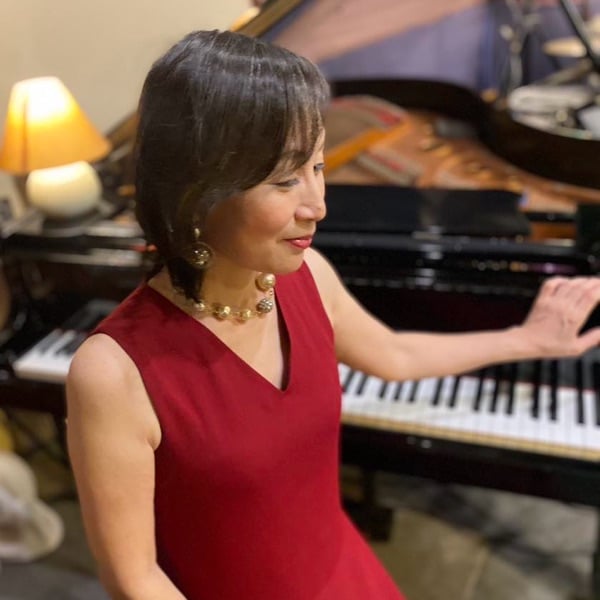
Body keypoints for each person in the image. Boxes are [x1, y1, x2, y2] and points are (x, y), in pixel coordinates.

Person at [66, 29, 600, 600]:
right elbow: (134, 577)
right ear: (196, 192)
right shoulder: (112, 373)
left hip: (341, 572)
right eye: (286, 180)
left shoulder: (308, 276)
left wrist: (526, 339)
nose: (318, 205)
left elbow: (394, 354)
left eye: (318, 167)